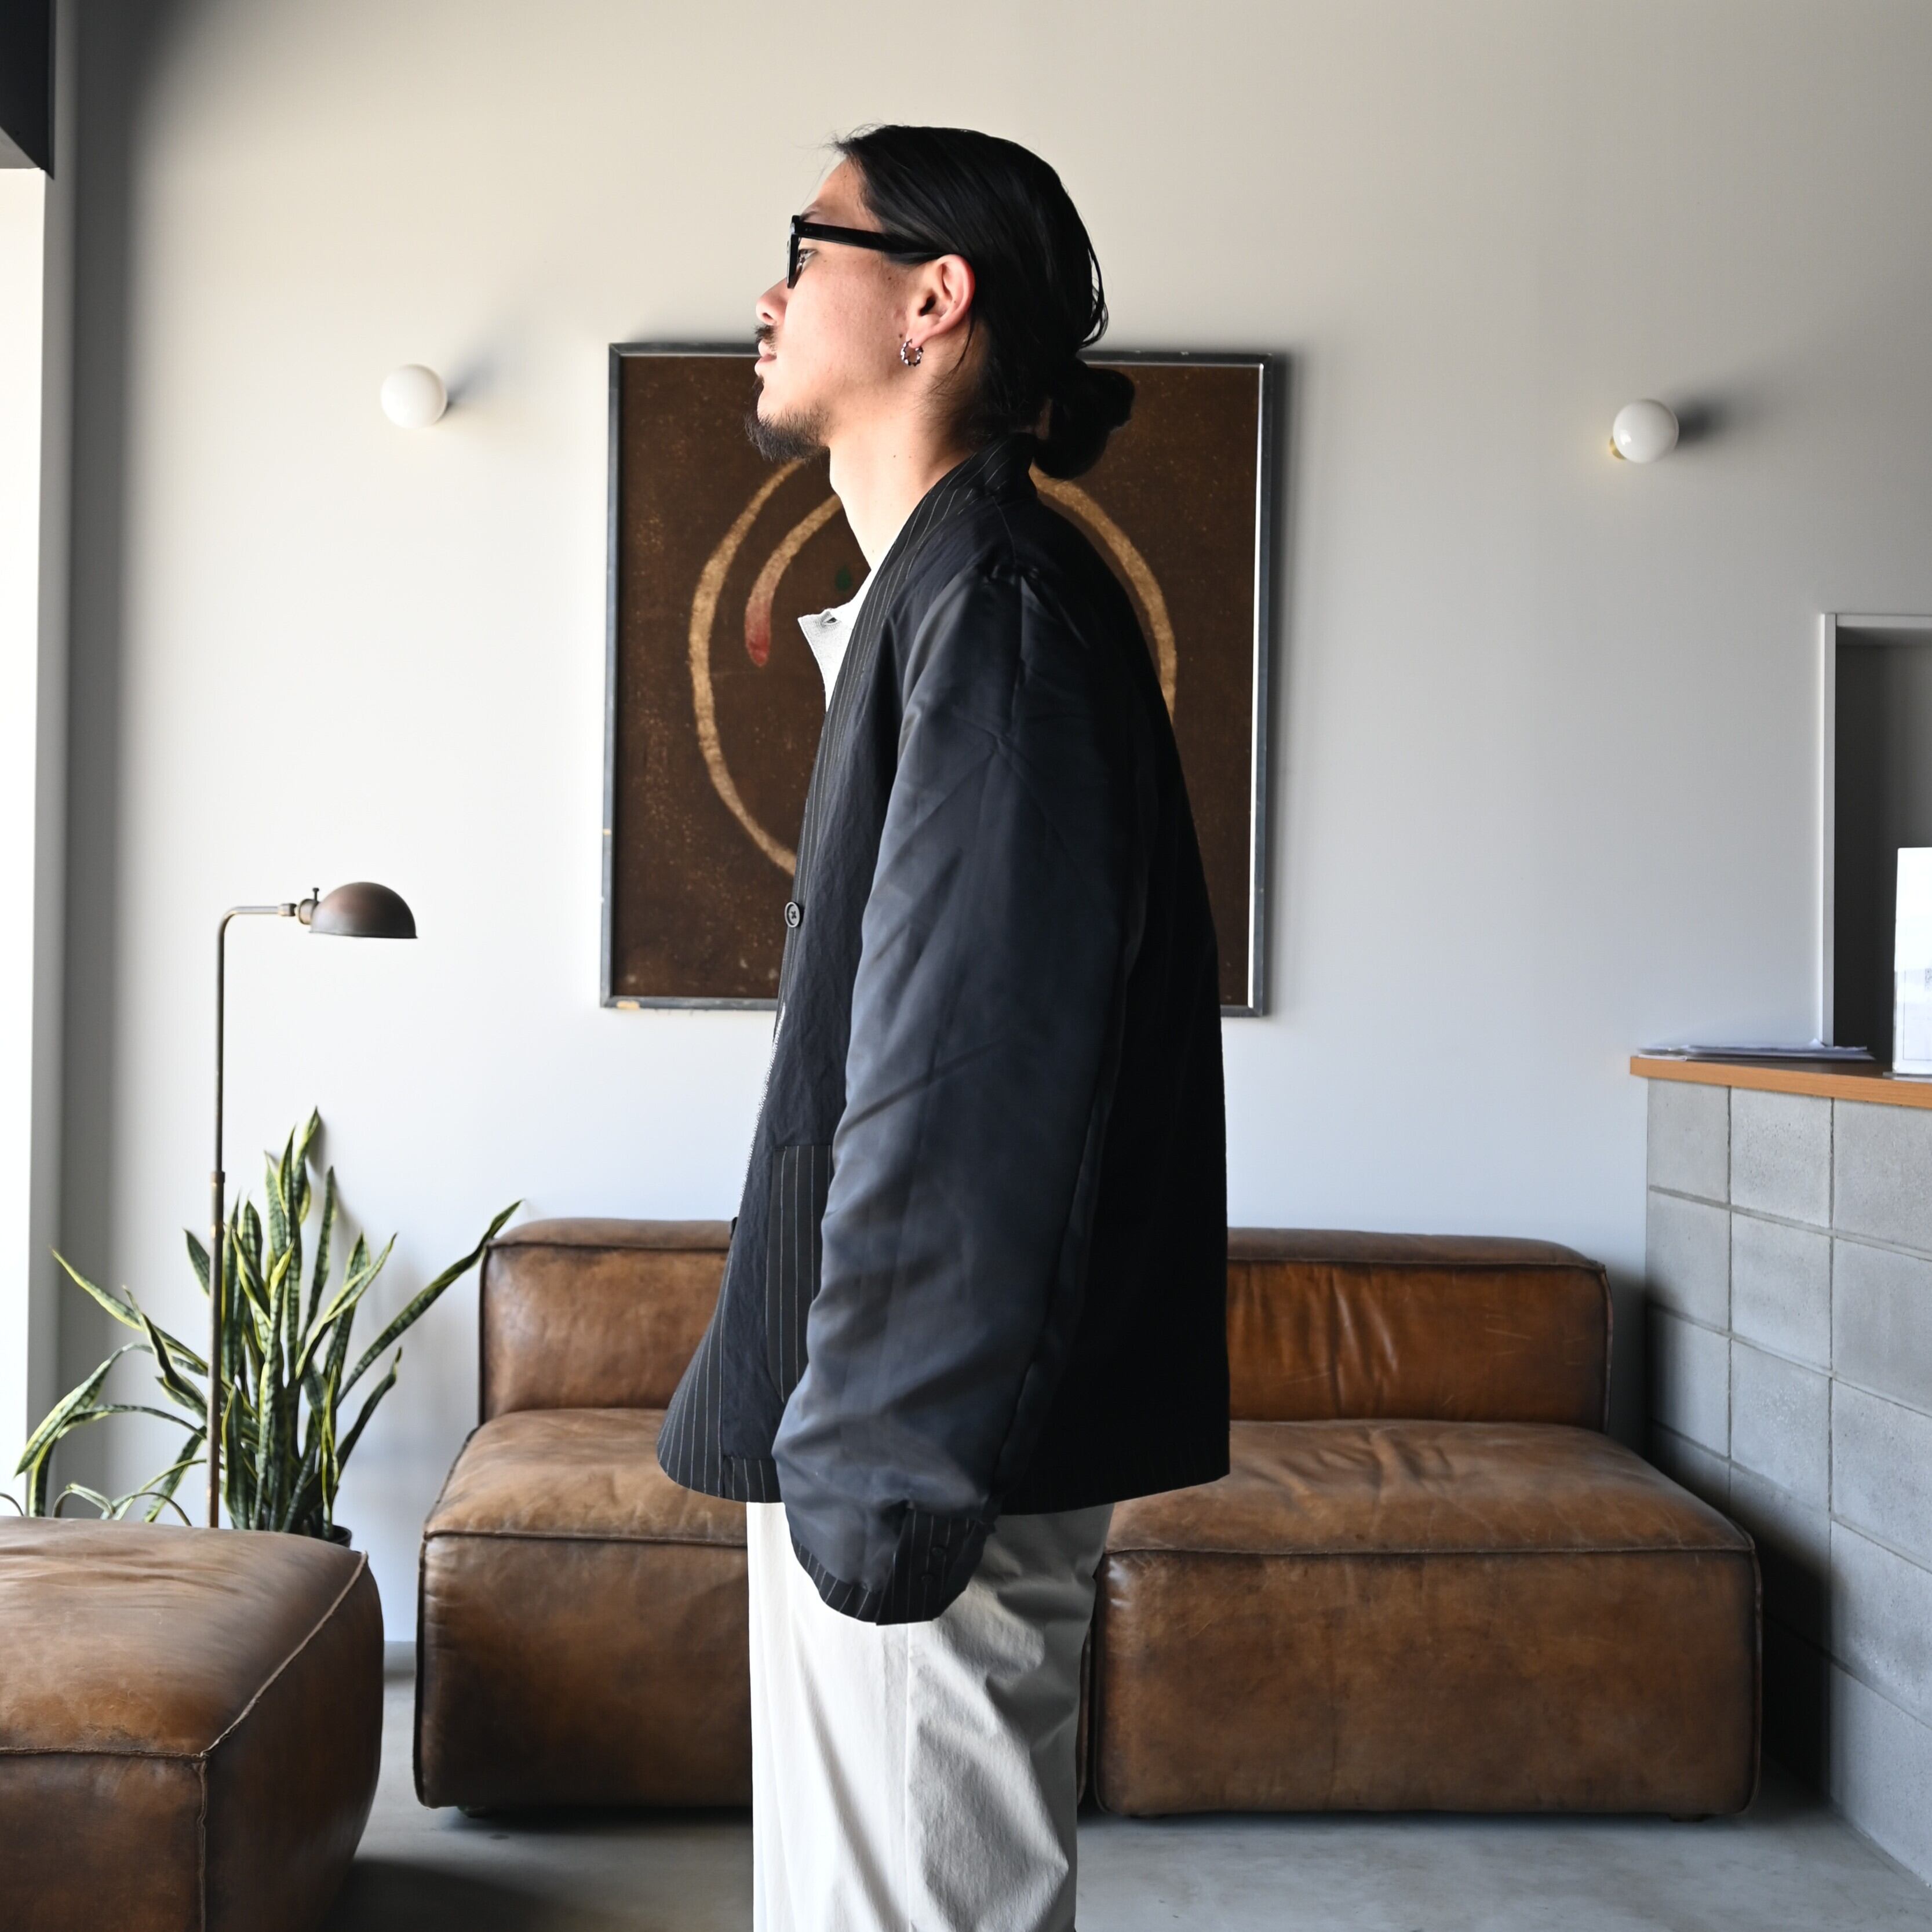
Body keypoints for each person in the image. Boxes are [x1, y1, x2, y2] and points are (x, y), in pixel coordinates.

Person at [657, 123, 1228, 1932]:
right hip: (887, 1438)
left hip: (919, 1458)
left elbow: (969, 1081)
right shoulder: (948, 594)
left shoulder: (999, 606)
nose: (764, 295)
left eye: (803, 247)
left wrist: (886, 1478)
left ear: (933, 300)